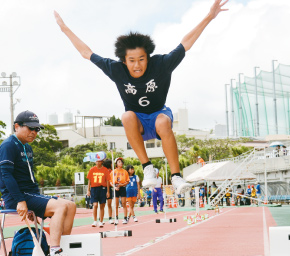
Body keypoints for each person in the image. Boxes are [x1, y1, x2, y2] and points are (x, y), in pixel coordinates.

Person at [54, 0, 228, 195]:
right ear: (124, 61)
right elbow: (86, 53)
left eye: (141, 59)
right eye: (132, 61)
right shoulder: (116, 69)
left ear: (148, 57)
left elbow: (185, 44)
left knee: (162, 121)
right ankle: (147, 168)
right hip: (138, 122)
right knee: (127, 115)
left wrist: (209, 17)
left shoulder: (161, 64)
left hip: (158, 114)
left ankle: (176, 177)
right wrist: (64, 29)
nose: (137, 65)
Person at [0, 111, 77, 256]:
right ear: (17, 126)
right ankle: (54, 252)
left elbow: (30, 178)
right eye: (30, 128)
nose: (34, 132)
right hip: (16, 196)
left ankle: (63, 247)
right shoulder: (8, 145)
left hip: (30, 194)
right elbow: (5, 175)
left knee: (70, 205)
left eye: (36, 129)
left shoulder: (27, 147)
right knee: (60, 207)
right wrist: (21, 201)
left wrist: (37, 201)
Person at [86, 152, 110, 227]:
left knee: (102, 205)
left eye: (99, 161)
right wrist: (88, 190)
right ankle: (95, 221)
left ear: (102, 162)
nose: (98, 162)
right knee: (95, 205)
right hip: (94, 189)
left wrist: (108, 191)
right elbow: (89, 180)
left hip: (102, 188)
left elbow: (107, 181)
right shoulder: (92, 169)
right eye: (97, 161)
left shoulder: (105, 170)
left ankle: (101, 221)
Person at [110, 157, 129, 224]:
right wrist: (114, 187)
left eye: (121, 162)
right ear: (116, 163)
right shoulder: (113, 172)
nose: (120, 163)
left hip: (122, 187)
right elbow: (110, 181)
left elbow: (127, 181)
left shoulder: (125, 172)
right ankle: (116, 218)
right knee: (116, 204)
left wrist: (122, 185)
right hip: (116, 187)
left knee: (124, 203)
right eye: (119, 162)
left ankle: (125, 218)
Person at [103, 158, 115, 224]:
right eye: (111, 163)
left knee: (109, 204)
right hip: (103, 188)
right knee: (103, 205)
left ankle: (110, 218)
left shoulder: (111, 171)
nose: (112, 164)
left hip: (109, 188)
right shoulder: (103, 170)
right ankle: (101, 219)